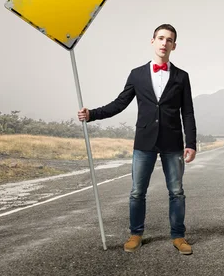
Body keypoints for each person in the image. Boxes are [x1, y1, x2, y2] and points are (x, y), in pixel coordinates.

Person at [77, 24, 197, 255]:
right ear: (152, 41)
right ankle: (135, 234)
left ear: (174, 46)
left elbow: (188, 112)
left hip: (172, 143)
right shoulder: (137, 74)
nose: (164, 43)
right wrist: (92, 114)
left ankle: (178, 236)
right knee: (137, 191)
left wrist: (190, 143)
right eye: (160, 38)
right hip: (144, 141)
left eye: (169, 40)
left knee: (176, 192)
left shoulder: (182, 77)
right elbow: (119, 103)